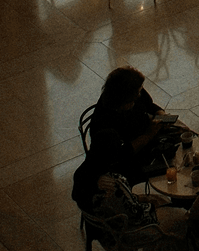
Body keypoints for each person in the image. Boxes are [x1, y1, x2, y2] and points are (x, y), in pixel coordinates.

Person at [75, 67, 178, 195]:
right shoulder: (105, 127)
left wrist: (162, 115)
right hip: (129, 161)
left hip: (146, 136)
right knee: (170, 163)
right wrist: (148, 135)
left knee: (181, 138)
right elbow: (122, 156)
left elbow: (149, 105)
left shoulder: (133, 92)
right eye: (137, 94)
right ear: (126, 101)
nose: (140, 95)